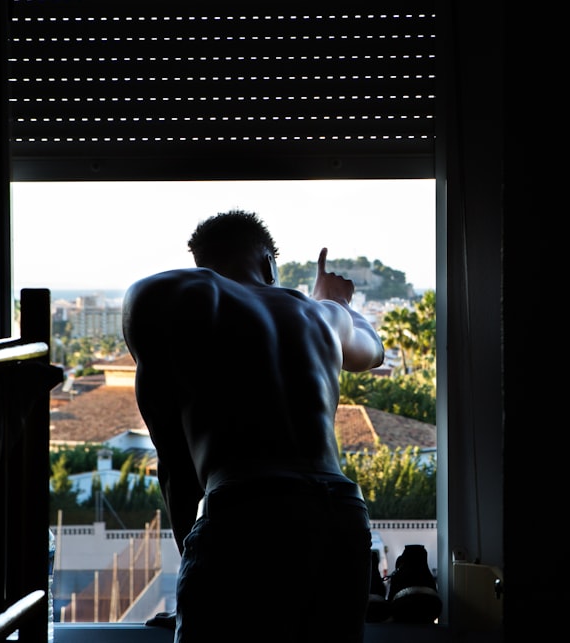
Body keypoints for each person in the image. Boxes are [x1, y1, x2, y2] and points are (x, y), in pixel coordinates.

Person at [122, 209, 385, 642]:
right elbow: (371, 349)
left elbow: (174, 459)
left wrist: (197, 573)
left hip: (247, 510)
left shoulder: (172, 293)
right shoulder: (318, 315)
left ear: (202, 261)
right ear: (268, 263)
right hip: (340, 514)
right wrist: (332, 299)